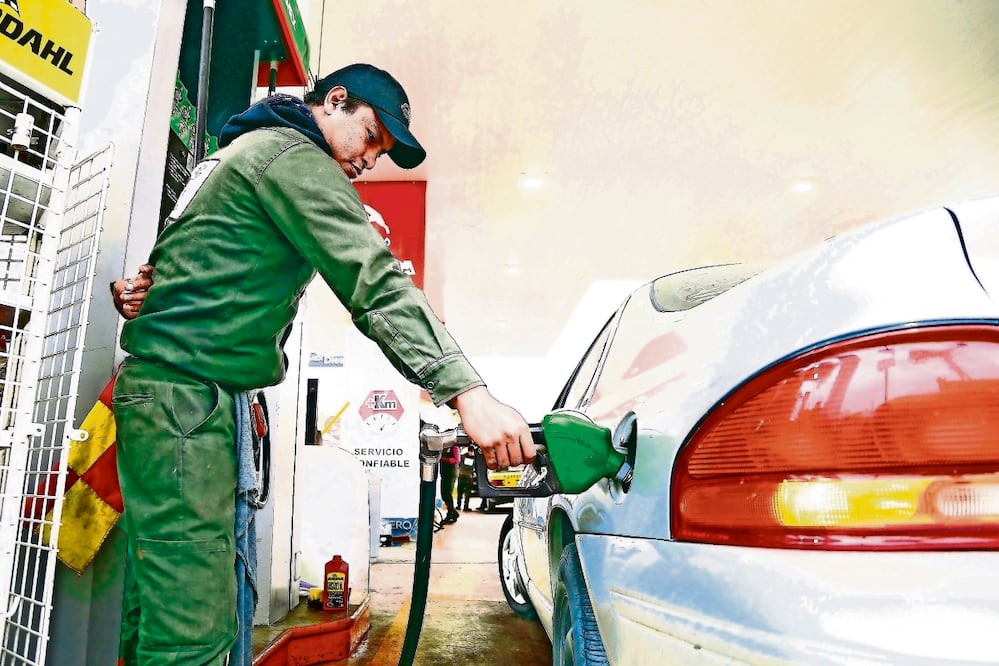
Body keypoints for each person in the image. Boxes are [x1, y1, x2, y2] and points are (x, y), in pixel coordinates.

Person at [110, 62, 536, 665]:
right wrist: (467, 392)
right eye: (371, 137)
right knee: (193, 631)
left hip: (175, 398)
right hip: (184, 404)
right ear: (334, 101)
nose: (371, 159)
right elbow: (376, 283)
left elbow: (185, 260)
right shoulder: (292, 157)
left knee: (160, 607)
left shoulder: (242, 150)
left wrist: (149, 290)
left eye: (382, 152)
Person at [439, 442, 460, 524]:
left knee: (447, 494)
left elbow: (456, 460)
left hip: (451, 473)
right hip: (444, 473)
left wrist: (442, 459)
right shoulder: (442, 447)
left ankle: (450, 514)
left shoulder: (454, 447)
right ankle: (453, 512)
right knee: (444, 494)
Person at [457, 444, 475, 510]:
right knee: (460, 492)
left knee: (467, 493)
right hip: (462, 476)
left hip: (469, 477)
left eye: (472, 452)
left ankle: (466, 506)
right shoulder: (462, 457)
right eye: (470, 451)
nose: (471, 453)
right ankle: (458, 505)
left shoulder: (474, 458)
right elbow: (458, 465)